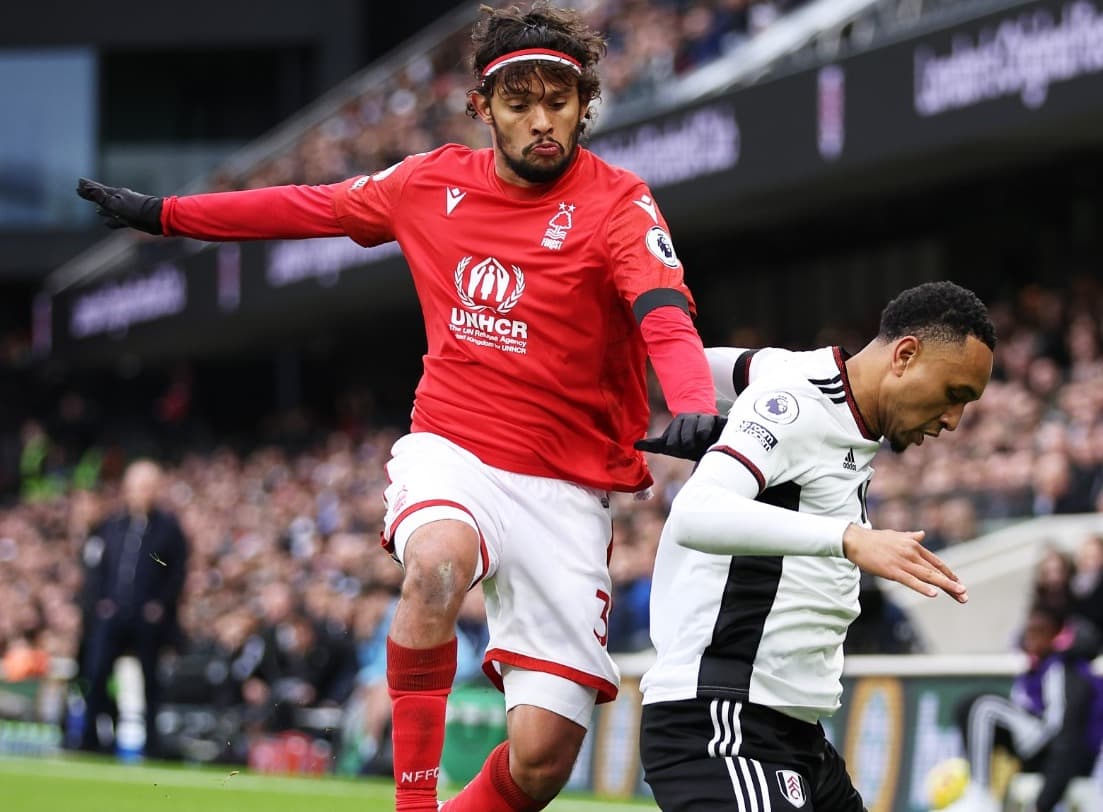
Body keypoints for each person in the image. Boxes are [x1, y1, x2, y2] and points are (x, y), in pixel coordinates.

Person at [75, 4, 722, 808]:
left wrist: (691, 401)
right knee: (436, 562)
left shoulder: (620, 202)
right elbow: (305, 206)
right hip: (456, 449)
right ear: (483, 108)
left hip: (568, 488)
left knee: (541, 763)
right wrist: (168, 216)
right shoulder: (429, 183)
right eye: (518, 102)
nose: (541, 119)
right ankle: (411, 802)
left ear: (583, 102)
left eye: (558, 100)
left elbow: (662, 308)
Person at [639, 281, 996, 811]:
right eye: (953, 395)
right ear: (905, 355)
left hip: (793, 735)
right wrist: (849, 539)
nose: (953, 421)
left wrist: (696, 407)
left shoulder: (802, 382)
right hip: (725, 723)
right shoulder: (798, 404)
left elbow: (688, 363)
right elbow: (695, 512)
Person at [77, 459, 189, 757]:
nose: (143, 492)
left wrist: (159, 605)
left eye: (149, 486)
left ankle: (151, 743)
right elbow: (98, 569)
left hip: (147, 618)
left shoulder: (168, 528)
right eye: (139, 485)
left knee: (150, 682)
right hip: (112, 614)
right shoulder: (112, 525)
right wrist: (101, 602)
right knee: (97, 673)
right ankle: (92, 736)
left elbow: (176, 571)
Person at [955, 605, 1103, 812]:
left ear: (1056, 635)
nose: (1031, 638)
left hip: (1056, 749)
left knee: (982, 706)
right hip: (1042, 748)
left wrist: (1043, 802)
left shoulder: (1063, 669)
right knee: (971, 710)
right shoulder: (1035, 669)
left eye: (1039, 632)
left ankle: (979, 794)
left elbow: (1066, 737)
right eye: (1029, 631)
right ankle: (974, 789)